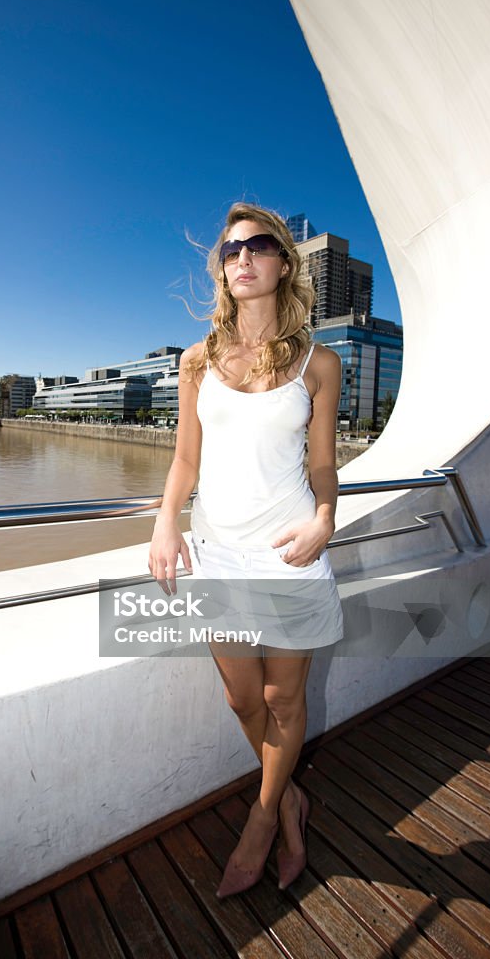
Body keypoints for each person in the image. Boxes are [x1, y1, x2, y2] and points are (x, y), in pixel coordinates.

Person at [148, 202, 343, 898]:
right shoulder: (197, 361)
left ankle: (262, 821)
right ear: (223, 269)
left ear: (284, 264)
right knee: (242, 700)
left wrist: (325, 519)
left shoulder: (320, 363)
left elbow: (323, 466)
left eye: (259, 246)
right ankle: (290, 798)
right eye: (232, 250)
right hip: (222, 556)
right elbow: (184, 461)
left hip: (291, 552)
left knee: (283, 700)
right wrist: (166, 520)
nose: (243, 258)